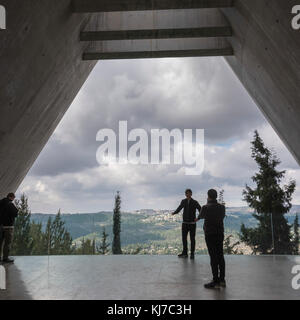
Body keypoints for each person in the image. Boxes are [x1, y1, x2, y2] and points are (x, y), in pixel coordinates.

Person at [196, 189, 226, 289]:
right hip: (219, 233)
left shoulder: (205, 207)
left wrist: (207, 203)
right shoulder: (222, 207)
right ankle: (222, 280)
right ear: (216, 196)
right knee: (220, 256)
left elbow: (201, 216)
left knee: (213, 257)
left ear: (208, 196)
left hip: (210, 234)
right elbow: (221, 216)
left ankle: (215, 280)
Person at [172, 189, 201, 260]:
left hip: (192, 224)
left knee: (192, 239)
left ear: (191, 194)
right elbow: (179, 208)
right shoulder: (183, 201)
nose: (187, 194)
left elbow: (201, 210)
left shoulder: (195, 202)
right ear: (185, 194)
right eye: (186, 193)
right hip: (184, 223)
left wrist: (198, 218)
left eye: (188, 193)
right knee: (184, 239)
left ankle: (192, 254)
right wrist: (174, 212)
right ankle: (185, 253)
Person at [0, 193, 18, 263]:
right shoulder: (10, 204)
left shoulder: (1, 203)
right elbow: (15, 213)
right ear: (11, 197)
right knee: (7, 243)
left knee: (0, 242)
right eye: (13, 198)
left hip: (0, 226)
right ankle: (5, 258)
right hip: (8, 227)